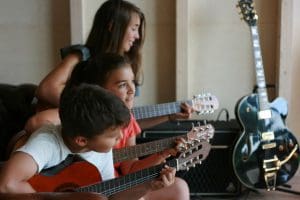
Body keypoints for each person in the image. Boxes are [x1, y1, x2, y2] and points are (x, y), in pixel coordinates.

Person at [24, 0, 193, 133]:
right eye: (134, 28)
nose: (138, 36)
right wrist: (93, 111)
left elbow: (126, 119)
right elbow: (46, 89)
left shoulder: (127, 69)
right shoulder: (82, 55)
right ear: (112, 26)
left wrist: (170, 115)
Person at [0, 83, 176, 199]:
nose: (121, 138)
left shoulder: (102, 152)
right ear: (82, 140)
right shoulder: (47, 143)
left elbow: (111, 197)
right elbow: (6, 185)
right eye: (113, 136)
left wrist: (148, 186)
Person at [64, 54, 190, 200]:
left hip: (117, 186)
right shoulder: (83, 120)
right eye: (122, 84)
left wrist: (162, 154)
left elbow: (130, 169)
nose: (132, 90)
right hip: (89, 186)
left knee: (179, 188)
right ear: (98, 90)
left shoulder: (128, 121)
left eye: (133, 82)